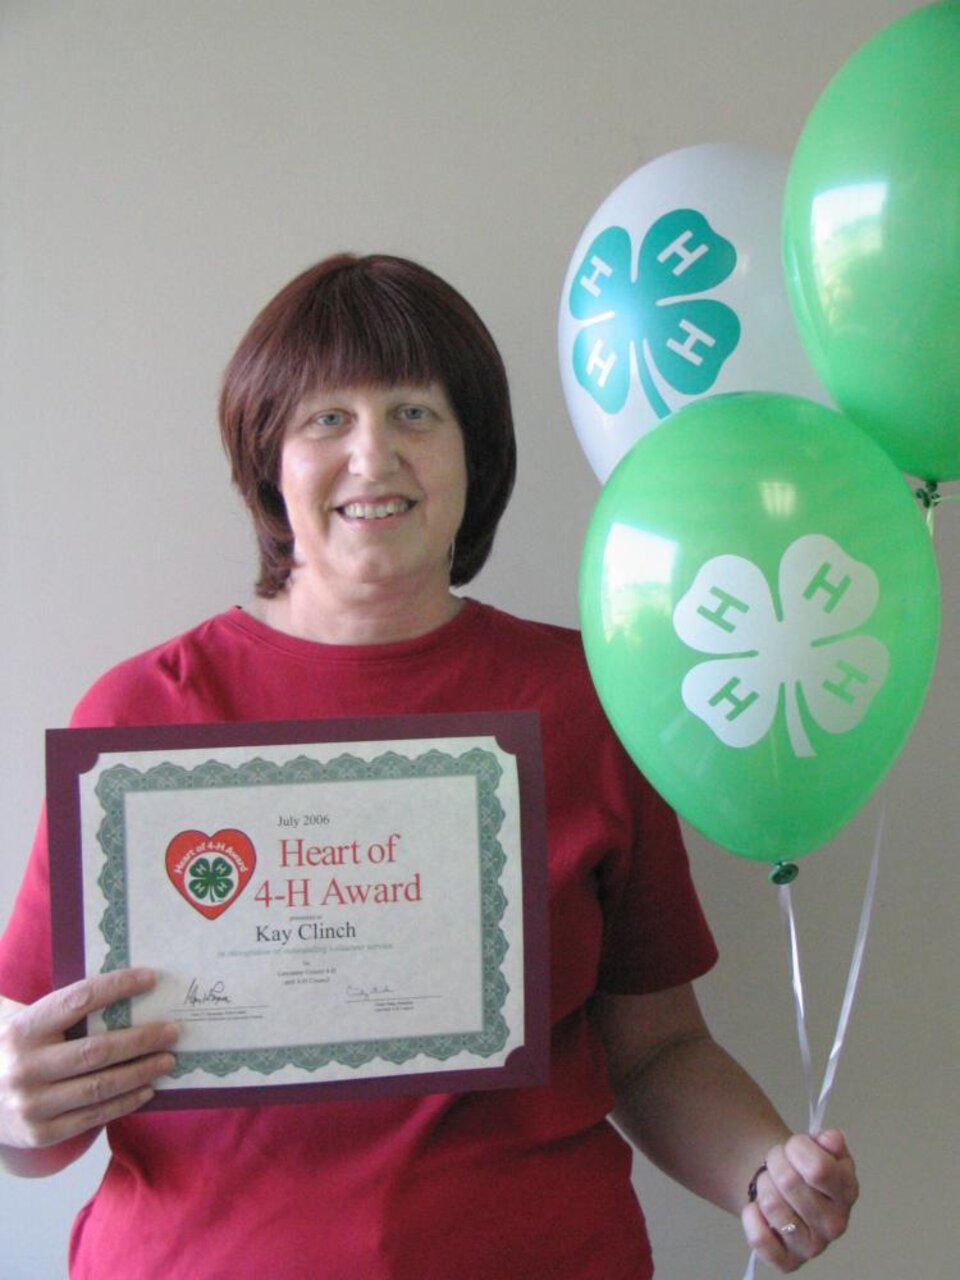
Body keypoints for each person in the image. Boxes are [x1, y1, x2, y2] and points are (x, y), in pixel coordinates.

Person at [0, 254, 858, 1279]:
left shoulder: (587, 700)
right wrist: (16, 1107)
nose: (374, 456)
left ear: (474, 455)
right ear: (267, 454)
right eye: (326, 418)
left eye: (415, 412)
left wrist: (765, 1170)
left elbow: (657, 1046)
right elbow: (37, 1086)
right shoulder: (141, 718)